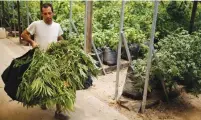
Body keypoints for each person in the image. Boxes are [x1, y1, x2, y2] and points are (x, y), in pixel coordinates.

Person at [21, 3, 68, 120]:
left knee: (58, 85)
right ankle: (43, 100)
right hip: (40, 60)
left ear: (53, 13)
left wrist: (63, 45)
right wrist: (32, 42)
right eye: (45, 13)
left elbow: (60, 39)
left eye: (49, 13)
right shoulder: (36, 24)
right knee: (43, 84)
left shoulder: (57, 26)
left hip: (53, 60)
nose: (48, 15)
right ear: (42, 14)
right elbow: (23, 34)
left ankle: (59, 111)